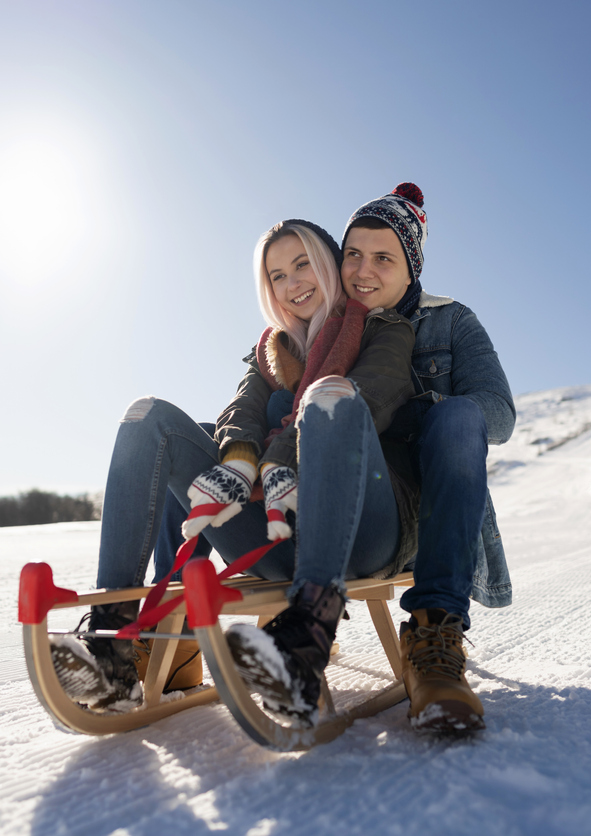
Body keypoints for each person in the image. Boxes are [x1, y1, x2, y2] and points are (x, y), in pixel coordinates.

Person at [50, 219, 417, 727]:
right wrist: (242, 461)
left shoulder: (383, 329)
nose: (293, 283)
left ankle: (305, 644)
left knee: (332, 397)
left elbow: (374, 398)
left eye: (303, 264)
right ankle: (113, 645)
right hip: (277, 533)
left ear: (329, 264)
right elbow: (240, 411)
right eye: (277, 275)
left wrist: (279, 454)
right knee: (148, 418)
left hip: (364, 530)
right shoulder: (273, 349)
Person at [337, 183, 516, 732]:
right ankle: (162, 641)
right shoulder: (325, 320)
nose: (364, 271)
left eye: (384, 258)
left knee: (459, 415)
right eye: (353, 255)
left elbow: (499, 414)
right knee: (209, 440)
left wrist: (418, 410)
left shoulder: (450, 321)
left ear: (411, 269)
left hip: (428, 507)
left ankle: (434, 631)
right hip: (347, 499)